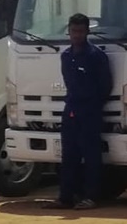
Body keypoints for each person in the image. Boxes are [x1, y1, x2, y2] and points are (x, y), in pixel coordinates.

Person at [44, 13, 112, 210]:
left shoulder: (96, 56)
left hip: (90, 111)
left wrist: (92, 104)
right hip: (71, 109)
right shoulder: (66, 56)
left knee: (91, 155)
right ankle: (65, 197)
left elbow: (105, 86)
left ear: (87, 32)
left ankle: (90, 197)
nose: (77, 35)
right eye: (74, 31)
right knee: (68, 155)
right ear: (69, 31)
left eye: (81, 31)